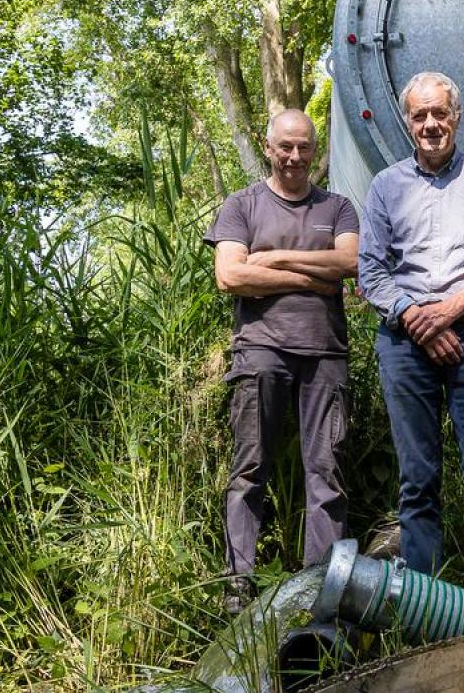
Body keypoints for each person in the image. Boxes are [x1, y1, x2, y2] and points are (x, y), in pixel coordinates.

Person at [356, 71, 464, 600]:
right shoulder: (386, 186)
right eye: (420, 115)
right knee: (418, 479)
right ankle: (427, 603)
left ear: (457, 117)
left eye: (439, 113)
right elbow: (371, 272)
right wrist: (418, 322)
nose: (431, 124)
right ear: (408, 122)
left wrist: (445, 313)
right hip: (406, 346)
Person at [207, 109, 360, 604]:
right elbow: (231, 276)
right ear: (268, 147)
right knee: (250, 469)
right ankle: (239, 586)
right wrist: (312, 280)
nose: (295, 157)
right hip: (260, 352)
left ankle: (320, 591)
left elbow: (350, 262)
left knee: (327, 473)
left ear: (315, 151)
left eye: (305, 148)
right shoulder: (241, 206)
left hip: (325, 356)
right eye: (286, 147)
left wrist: (271, 258)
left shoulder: (337, 208)